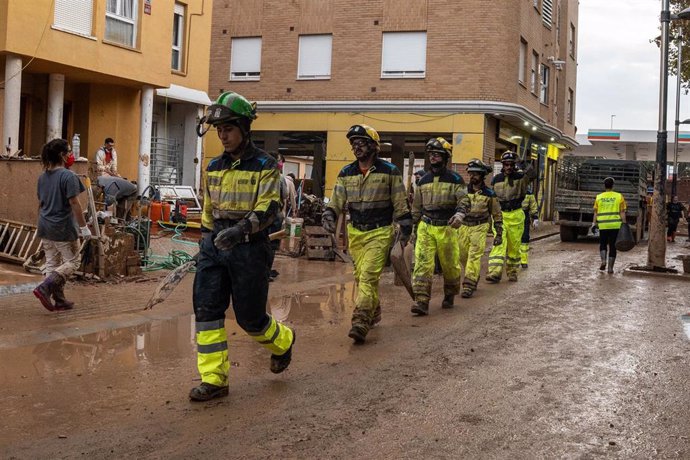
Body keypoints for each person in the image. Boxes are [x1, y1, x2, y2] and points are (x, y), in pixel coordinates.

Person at [189, 91, 295, 401]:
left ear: (245, 129)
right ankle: (214, 378)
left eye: (229, 129)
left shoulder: (265, 165)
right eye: (219, 130)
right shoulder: (213, 166)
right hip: (215, 246)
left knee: (250, 319)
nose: (223, 136)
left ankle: (284, 341)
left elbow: (269, 208)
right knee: (206, 310)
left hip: (250, 248)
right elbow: (208, 210)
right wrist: (205, 240)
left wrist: (240, 230)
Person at [322, 124, 412, 343]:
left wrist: (405, 229)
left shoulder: (389, 172)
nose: (356, 147)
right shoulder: (346, 173)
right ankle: (375, 310)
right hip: (356, 234)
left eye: (361, 142)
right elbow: (336, 200)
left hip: (380, 232)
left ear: (374, 146)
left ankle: (361, 320)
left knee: (370, 275)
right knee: (361, 277)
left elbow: (400, 203)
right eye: (353, 143)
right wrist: (330, 214)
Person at [410, 138, 467, 315]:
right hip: (426, 226)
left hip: (447, 227)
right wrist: (412, 229)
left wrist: (459, 215)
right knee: (422, 264)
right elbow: (416, 208)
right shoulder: (422, 181)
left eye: (437, 154)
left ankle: (449, 294)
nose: (433, 157)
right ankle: (421, 301)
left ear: (445, 157)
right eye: (431, 154)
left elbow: (464, 201)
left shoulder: (456, 179)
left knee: (449, 264)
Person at [33, 139, 91, 312]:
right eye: (68, 151)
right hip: (63, 227)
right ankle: (45, 287)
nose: (70, 154)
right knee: (73, 262)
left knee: (52, 263)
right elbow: (74, 203)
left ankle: (59, 300)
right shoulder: (68, 176)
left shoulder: (42, 177)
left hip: (45, 226)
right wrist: (84, 227)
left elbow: (41, 203)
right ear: (61, 155)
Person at [486, 151, 536, 283]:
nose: (508, 167)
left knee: (514, 245)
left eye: (510, 164)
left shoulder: (521, 177)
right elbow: (493, 199)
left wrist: (521, 162)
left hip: (516, 215)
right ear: (502, 165)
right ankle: (494, 272)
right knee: (499, 243)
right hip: (501, 215)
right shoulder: (496, 179)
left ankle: (512, 271)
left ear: (514, 165)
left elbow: (533, 174)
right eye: (506, 164)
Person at [459, 159, 502, 298]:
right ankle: (473, 274)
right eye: (471, 173)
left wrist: (499, 232)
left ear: (482, 175)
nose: (472, 176)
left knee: (474, 255)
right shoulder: (463, 191)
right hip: (463, 226)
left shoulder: (490, 194)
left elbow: (496, 213)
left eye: (476, 174)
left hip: (480, 226)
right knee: (462, 255)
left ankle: (469, 283)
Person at [592, 176, 627, 273]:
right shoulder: (619, 196)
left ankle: (603, 261)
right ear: (613, 185)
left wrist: (593, 223)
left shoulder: (599, 197)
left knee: (602, 243)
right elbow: (622, 212)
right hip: (615, 225)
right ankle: (610, 268)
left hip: (602, 225)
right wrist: (624, 224)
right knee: (612, 246)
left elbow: (596, 212)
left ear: (604, 186)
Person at [520, 188, 539, 268]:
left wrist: (535, 217)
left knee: (524, 238)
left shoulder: (528, 192)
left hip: (524, 216)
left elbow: (533, 205)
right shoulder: (511, 188)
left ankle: (523, 260)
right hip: (511, 215)